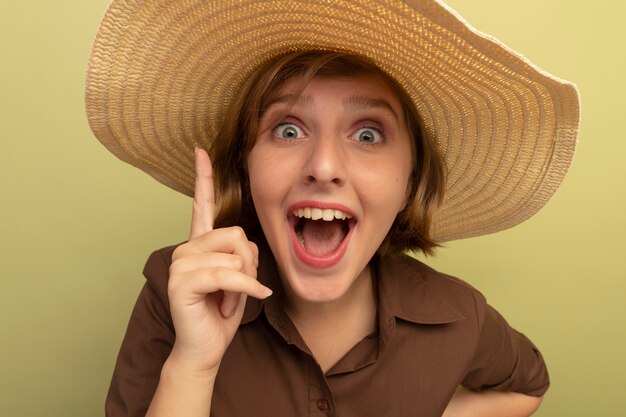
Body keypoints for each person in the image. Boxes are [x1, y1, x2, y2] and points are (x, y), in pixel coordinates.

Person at [85, 1, 580, 416]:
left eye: (368, 134)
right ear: (247, 167)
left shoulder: (458, 315)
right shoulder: (175, 290)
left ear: (410, 183)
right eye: (288, 129)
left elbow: (527, 385)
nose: (323, 166)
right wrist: (193, 363)